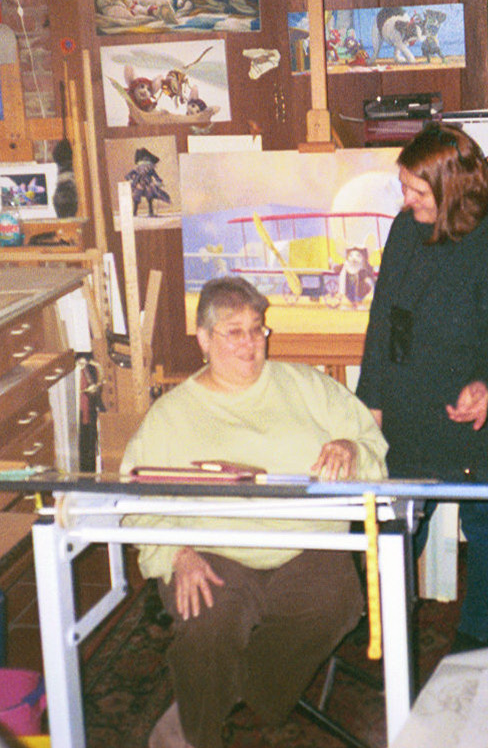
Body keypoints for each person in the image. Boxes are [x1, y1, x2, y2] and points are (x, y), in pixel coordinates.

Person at [121, 276, 388, 748]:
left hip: (308, 543)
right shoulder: (170, 416)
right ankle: (199, 726)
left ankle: (244, 695)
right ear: (204, 339)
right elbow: (134, 500)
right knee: (207, 622)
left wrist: (350, 449)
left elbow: (373, 445)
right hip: (215, 549)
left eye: (257, 329)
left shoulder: (307, 386)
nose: (250, 343)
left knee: (337, 603)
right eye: (234, 332)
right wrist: (176, 553)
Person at [357, 124, 488, 653]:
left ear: (451, 189)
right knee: (403, 519)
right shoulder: (405, 230)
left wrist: (487, 387)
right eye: (404, 187)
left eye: (417, 190)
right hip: (415, 404)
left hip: (484, 412)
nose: (406, 200)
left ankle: (473, 638)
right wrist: (371, 400)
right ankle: (384, 617)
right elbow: (383, 321)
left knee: (486, 520)